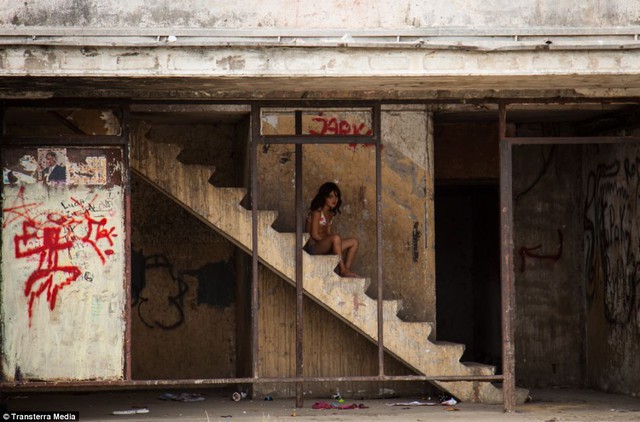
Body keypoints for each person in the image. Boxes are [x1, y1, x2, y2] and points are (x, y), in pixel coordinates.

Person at [304, 182, 359, 278]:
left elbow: (329, 233)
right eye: (331, 196)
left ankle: (346, 269)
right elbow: (314, 235)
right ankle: (342, 270)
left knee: (354, 242)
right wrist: (332, 243)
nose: (334, 200)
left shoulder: (330, 214)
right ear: (324, 197)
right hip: (313, 248)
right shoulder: (317, 212)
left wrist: (334, 244)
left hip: (324, 245)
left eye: (336, 197)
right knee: (336, 238)